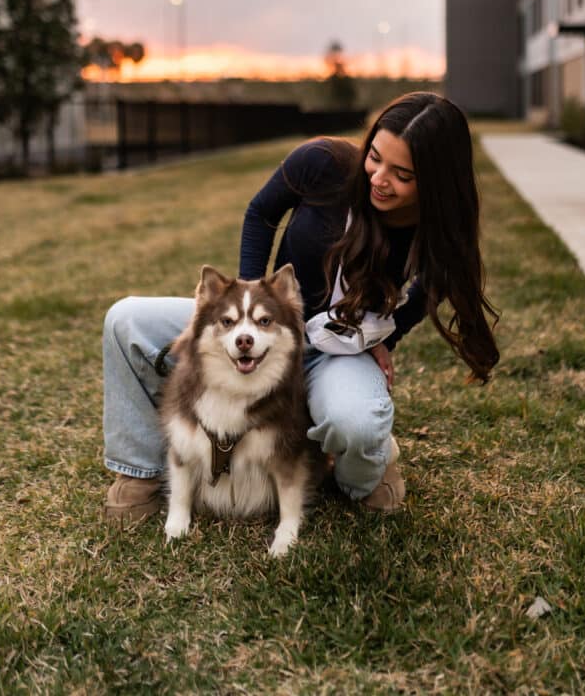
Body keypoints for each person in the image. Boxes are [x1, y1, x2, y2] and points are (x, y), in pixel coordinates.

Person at [103, 91, 499, 523]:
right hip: (270, 329)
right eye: (376, 157)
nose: (379, 179)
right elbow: (260, 213)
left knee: (356, 424)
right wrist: (246, 304)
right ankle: (137, 471)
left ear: (436, 183)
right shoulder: (322, 163)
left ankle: (366, 468)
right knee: (125, 322)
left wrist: (387, 336)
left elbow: (431, 287)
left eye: (402, 174)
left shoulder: (437, 230)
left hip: (336, 353)